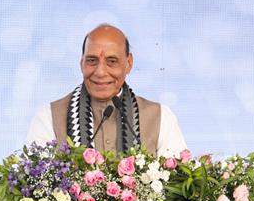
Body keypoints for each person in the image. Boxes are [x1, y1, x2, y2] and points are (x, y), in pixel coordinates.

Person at [26, 24, 186, 155]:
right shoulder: (49, 117)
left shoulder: (160, 117)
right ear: (81, 63)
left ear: (129, 63)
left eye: (112, 61)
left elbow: (178, 180)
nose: (100, 72)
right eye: (92, 60)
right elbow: (36, 177)